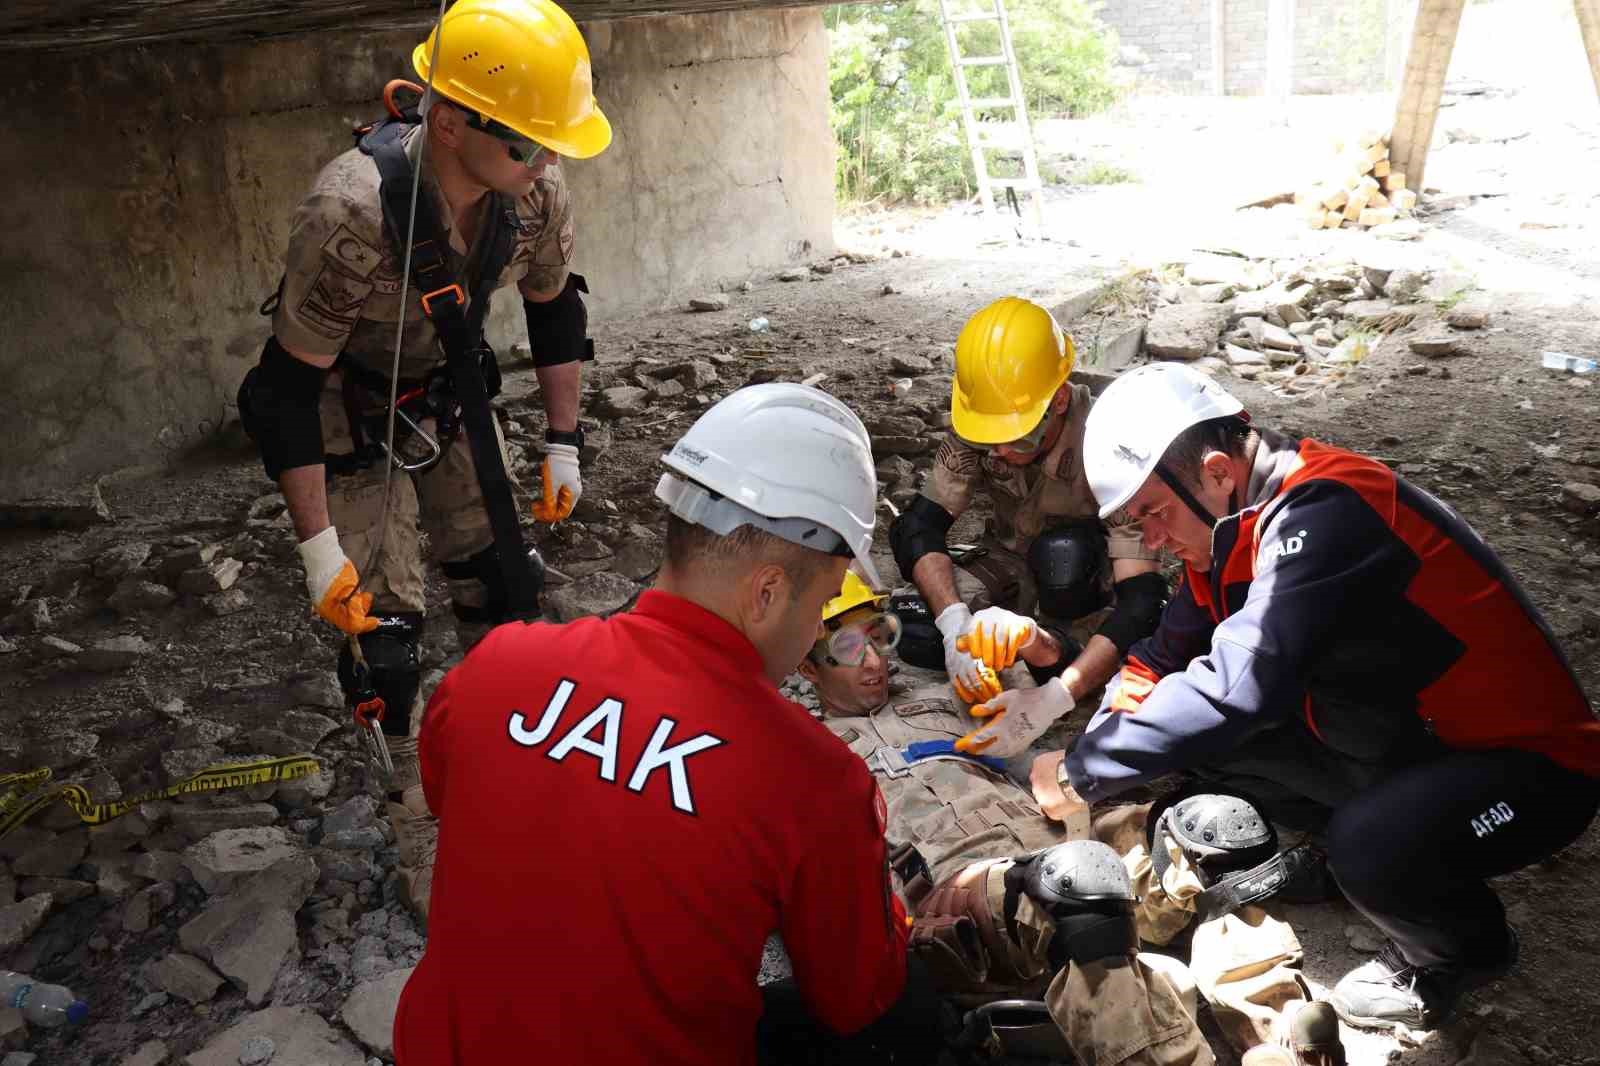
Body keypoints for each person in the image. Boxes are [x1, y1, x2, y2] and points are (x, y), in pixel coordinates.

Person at [996, 362, 1600, 1033]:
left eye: (1154, 514)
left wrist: (1082, 773)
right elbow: (1164, 656)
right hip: (1416, 736)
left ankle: (1462, 950)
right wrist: (1100, 735)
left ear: (1219, 471)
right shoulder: (1230, 532)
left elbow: (1239, 687)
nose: (1155, 541)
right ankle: (1367, 841)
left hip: (1535, 770)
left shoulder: (1330, 509)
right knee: (1197, 748)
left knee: (1368, 848)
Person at [394, 384, 911, 1066]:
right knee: (906, 1017)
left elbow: (452, 796)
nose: (819, 627)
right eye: (821, 602)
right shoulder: (811, 779)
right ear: (767, 594)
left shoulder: (496, 666)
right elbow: (857, 996)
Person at [236, 0, 609, 918]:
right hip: (342, 402)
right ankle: (417, 814)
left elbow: (556, 311)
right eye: (527, 143)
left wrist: (563, 444)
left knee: (503, 589)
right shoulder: (351, 212)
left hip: (445, 389)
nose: (545, 162)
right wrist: (319, 548)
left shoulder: (531, 196)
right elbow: (283, 392)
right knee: (384, 637)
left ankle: (518, 768)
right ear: (449, 121)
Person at [796, 573, 1346, 1066]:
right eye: (848, 647)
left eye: (880, 636)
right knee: (1077, 883)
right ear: (807, 666)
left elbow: (1062, 679)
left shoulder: (944, 695)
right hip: (965, 890)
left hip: (1062, 838)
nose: (874, 661)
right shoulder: (797, 751)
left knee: (1212, 827)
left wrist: (1028, 640)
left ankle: (1282, 1035)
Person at [888, 297, 1167, 731]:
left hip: (1086, 574)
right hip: (1009, 559)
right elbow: (919, 526)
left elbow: (1142, 596)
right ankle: (1009, 636)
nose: (997, 450)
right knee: (915, 627)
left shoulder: (1109, 446)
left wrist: (1062, 690)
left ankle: (1060, 642)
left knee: (1063, 562)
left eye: (1013, 437)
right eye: (989, 436)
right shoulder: (983, 424)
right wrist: (953, 625)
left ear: (1057, 401)